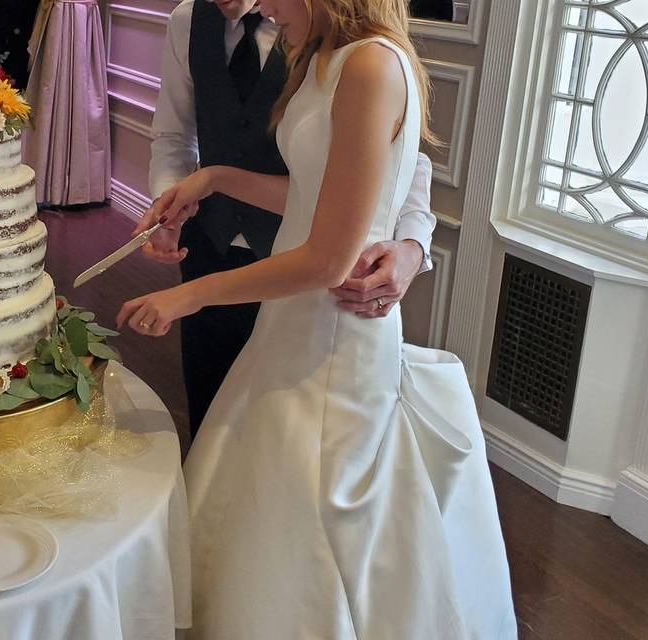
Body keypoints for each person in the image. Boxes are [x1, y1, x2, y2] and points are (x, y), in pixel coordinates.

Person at [118, 0, 517, 635]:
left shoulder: (371, 66)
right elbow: (311, 191)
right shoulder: (328, 56)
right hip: (295, 320)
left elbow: (331, 258)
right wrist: (214, 177)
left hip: (331, 325)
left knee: (314, 500)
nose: (263, 7)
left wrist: (189, 295)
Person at [141, 0, 436, 436]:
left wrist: (413, 244)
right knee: (215, 428)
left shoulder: (365, 58)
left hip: (317, 288)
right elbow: (174, 134)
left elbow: (398, 164)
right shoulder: (309, 45)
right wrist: (201, 185)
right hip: (222, 256)